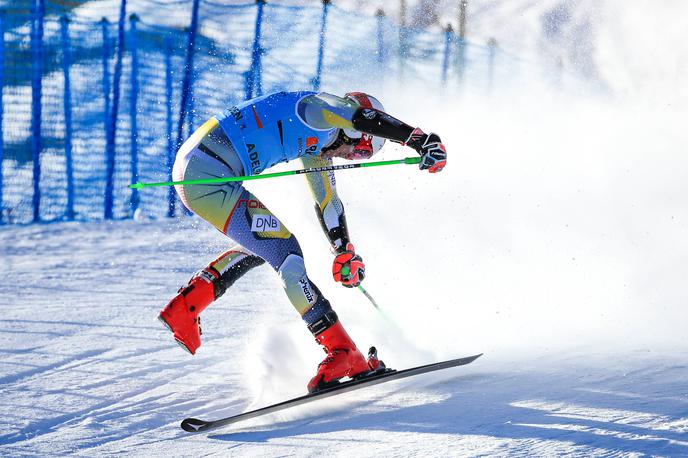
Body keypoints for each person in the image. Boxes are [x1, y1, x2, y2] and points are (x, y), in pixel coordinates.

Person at [159, 91, 446, 393]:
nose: (346, 156)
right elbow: (364, 116)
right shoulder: (321, 110)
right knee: (287, 255)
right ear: (355, 130)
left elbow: (327, 201)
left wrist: (343, 249)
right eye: (357, 150)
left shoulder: (319, 143)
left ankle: (187, 306)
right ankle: (342, 353)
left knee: (265, 244)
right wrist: (418, 140)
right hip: (208, 171)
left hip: (199, 168)